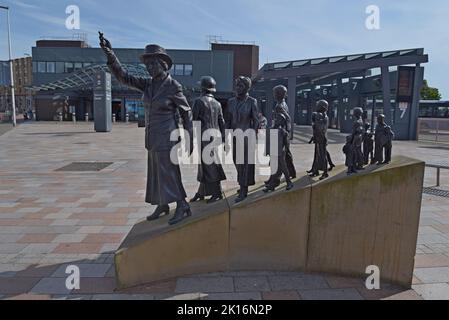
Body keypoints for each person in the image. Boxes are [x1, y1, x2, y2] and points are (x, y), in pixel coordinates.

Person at [99, 32, 193, 226]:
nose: (149, 68)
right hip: (152, 137)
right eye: (147, 65)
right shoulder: (148, 85)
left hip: (168, 136)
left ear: (163, 64)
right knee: (156, 173)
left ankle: (183, 205)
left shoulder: (173, 86)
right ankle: (162, 203)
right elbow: (124, 77)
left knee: (169, 172)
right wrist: (111, 54)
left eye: (152, 64)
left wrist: (189, 136)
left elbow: (186, 112)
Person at [190, 76, 227, 204]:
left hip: (204, 137)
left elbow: (192, 121)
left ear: (202, 87)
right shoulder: (217, 103)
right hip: (215, 136)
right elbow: (222, 122)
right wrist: (224, 138)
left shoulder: (199, 101)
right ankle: (201, 192)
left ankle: (217, 192)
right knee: (206, 165)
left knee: (210, 165)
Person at [226, 76, 259, 203]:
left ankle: (243, 188)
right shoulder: (231, 102)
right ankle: (243, 183)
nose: (237, 88)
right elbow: (228, 121)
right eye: (237, 85)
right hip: (235, 136)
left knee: (244, 163)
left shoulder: (252, 101)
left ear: (246, 87)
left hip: (246, 137)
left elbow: (256, 121)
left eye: (240, 86)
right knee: (236, 162)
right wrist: (226, 138)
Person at [263, 102, 294, 192]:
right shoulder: (274, 127)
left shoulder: (282, 129)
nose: (276, 119)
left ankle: (289, 182)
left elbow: (286, 141)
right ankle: (272, 185)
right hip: (275, 150)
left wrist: (284, 148)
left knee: (283, 166)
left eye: (278, 119)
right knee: (274, 167)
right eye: (276, 118)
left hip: (280, 151)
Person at [309, 100, 330, 180]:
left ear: (323, 107)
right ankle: (315, 170)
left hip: (322, 139)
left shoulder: (324, 117)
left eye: (318, 105)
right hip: (318, 138)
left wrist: (315, 121)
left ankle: (325, 173)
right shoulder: (320, 116)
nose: (316, 107)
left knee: (323, 155)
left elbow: (320, 128)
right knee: (317, 155)